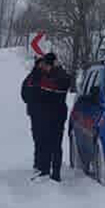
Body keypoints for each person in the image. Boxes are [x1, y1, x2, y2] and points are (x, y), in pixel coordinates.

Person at [34, 53, 71, 182]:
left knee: (55, 145)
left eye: (45, 65)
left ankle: (55, 173)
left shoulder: (60, 76)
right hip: (47, 114)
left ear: (50, 64)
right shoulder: (49, 75)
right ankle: (45, 170)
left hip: (56, 115)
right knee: (45, 143)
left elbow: (56, 88)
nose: (43, 67)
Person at [21, 57, 45, 174]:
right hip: (37, 112)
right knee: (39, 138)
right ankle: (39, 163)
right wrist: (32, 102)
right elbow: (24, 93)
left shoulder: (34, 77)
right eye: (41, 64)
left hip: (42, 112)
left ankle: (41, 162)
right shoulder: (32, 78)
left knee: (41, 138)